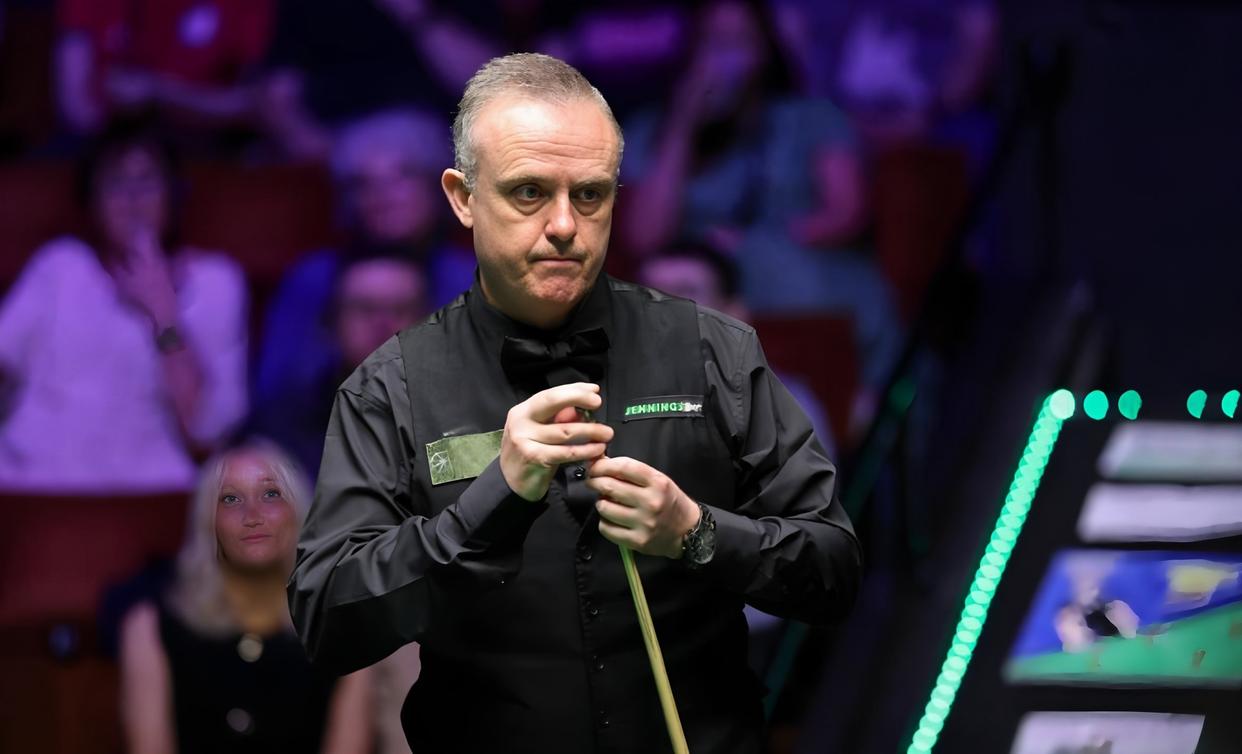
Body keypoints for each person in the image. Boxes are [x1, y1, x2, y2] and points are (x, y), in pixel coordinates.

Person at [288, 53, 861, 753]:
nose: (564, 224)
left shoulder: (714, 352)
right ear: (463, 198)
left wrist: (698, 532)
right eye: (529, 192)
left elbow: (834, 573)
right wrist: (491, 503)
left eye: (589, 195)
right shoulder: (390, 386)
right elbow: (329, 617)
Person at [619, 0, 901, 392]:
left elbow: (846, 212)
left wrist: (757, 242)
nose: (725, 58)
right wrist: (682, 123)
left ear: (766, 51)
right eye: (714, 41)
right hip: (701, 279)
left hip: (799, 265)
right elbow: (644, 237)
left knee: (834, 285)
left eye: (739, 42)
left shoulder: (810, 118)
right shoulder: (653, 130)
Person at [0, 120, 247, 492]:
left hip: (153, 492)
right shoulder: (60, 266)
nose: (132, 199)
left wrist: (164, 313)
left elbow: (203, 434)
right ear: (92, 200)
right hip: (36, 483)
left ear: (172, 194)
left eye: (146, 181)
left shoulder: (216, 281)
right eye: (116, 183)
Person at [118, 441, 371, 753]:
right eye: (231, 499)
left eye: (271, 494)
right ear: (207, 522)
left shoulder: (346, 629)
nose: (252, 515)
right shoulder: (150, 628)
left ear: (300, 513)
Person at [253, 109, 472, 415]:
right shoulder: (314, 277)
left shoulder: (468, 277)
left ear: (438, 189)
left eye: (403, 176)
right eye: (362, 183)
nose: (382, 196)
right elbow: (275, 389)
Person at [249, 250, 429, 477]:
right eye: (365, 308)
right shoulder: (282, 422)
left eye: (400, 309)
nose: (383, 323)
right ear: (333, 322)